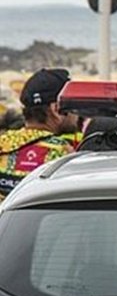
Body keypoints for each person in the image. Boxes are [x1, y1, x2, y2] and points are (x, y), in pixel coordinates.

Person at [0, 68, 80, 202]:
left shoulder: (3, 144)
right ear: (56, 110)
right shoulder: (62, 156)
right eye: (73, 105)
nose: (77, 113)